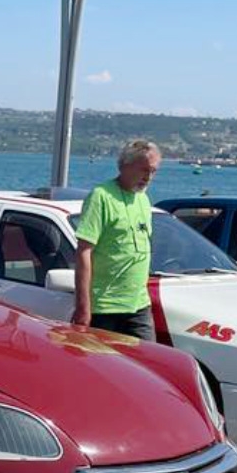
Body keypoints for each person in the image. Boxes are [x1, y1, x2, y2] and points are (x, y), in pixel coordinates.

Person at [72, 140, 160, 338]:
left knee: (146, 365)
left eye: (153, 171)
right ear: (125, 166)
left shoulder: (143, 200)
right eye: (144, 170)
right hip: (104, 307)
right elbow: (84, 251)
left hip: (138, 305)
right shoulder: (101, 197)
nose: (148, 177)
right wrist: (83, 306)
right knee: (103, 367)